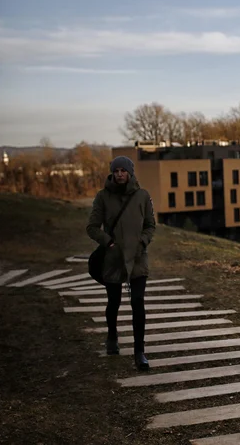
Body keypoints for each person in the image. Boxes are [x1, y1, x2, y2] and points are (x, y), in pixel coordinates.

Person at [87, 156, 156, 371]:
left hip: (137, 258)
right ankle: (112, 336)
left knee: (138, 303)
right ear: (112, 173)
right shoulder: (103, 197)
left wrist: (142, 242)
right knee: (114, 302)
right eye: (116, 171)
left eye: (123, 171)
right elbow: (92, 227)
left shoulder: (142, 196)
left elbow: (150, 225)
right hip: (114, 259)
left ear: (130, 173)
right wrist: (107, 242)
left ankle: (139, 352)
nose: (119, 174)